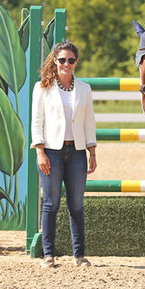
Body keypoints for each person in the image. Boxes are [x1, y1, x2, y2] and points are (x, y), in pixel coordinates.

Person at [30, 41, 97, 268]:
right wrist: (40, 151)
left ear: (76, 62)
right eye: (62, 60)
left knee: (76, 205)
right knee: (51, 203)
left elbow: (89, 121)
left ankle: (79, 256)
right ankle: (48, 255)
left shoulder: (84, 89)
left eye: (70, 60)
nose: (66, 64)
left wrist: (92, 151)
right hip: (51, 151)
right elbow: (36, 122)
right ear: (55, 61)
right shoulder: (42, 88)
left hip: (77, 151)